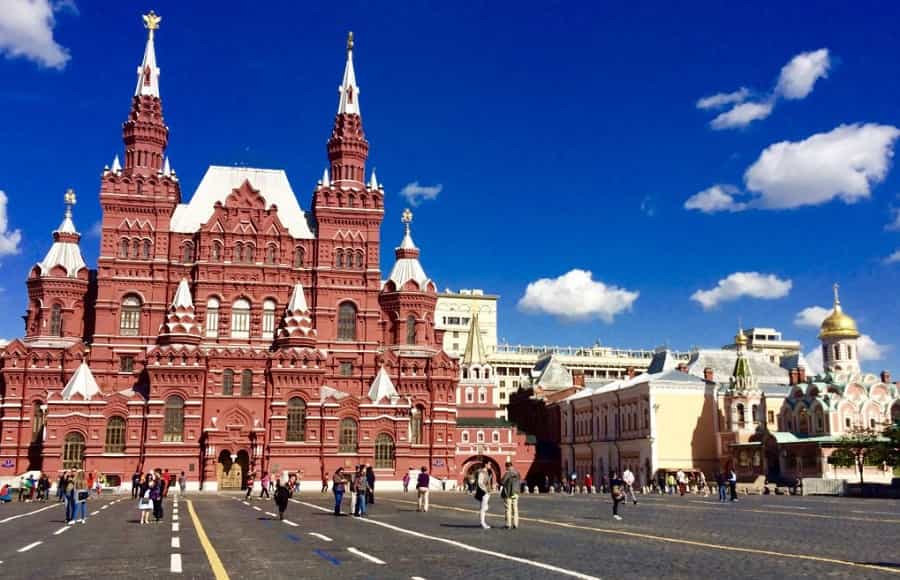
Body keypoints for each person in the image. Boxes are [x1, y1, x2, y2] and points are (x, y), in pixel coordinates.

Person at [500, 459, 520, 529]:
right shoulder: (517, 472)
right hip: (515, 493)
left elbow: (502, 482)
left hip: (508, 493)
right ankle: (515, 524)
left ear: (507, 467)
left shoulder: (508, 473)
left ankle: (508, 524)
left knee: (508, 508)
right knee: (515, 508)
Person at [476, 463, 493, 529]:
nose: (490, 466)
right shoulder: (482, 472)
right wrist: (485, 490)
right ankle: (483, 523)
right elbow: (480, 483)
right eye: (489, 464)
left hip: (487, 492)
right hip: (484, 493)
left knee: (485, 507)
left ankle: (482, 522)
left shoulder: (487, 472)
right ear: (485, 465)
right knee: (483, 508)